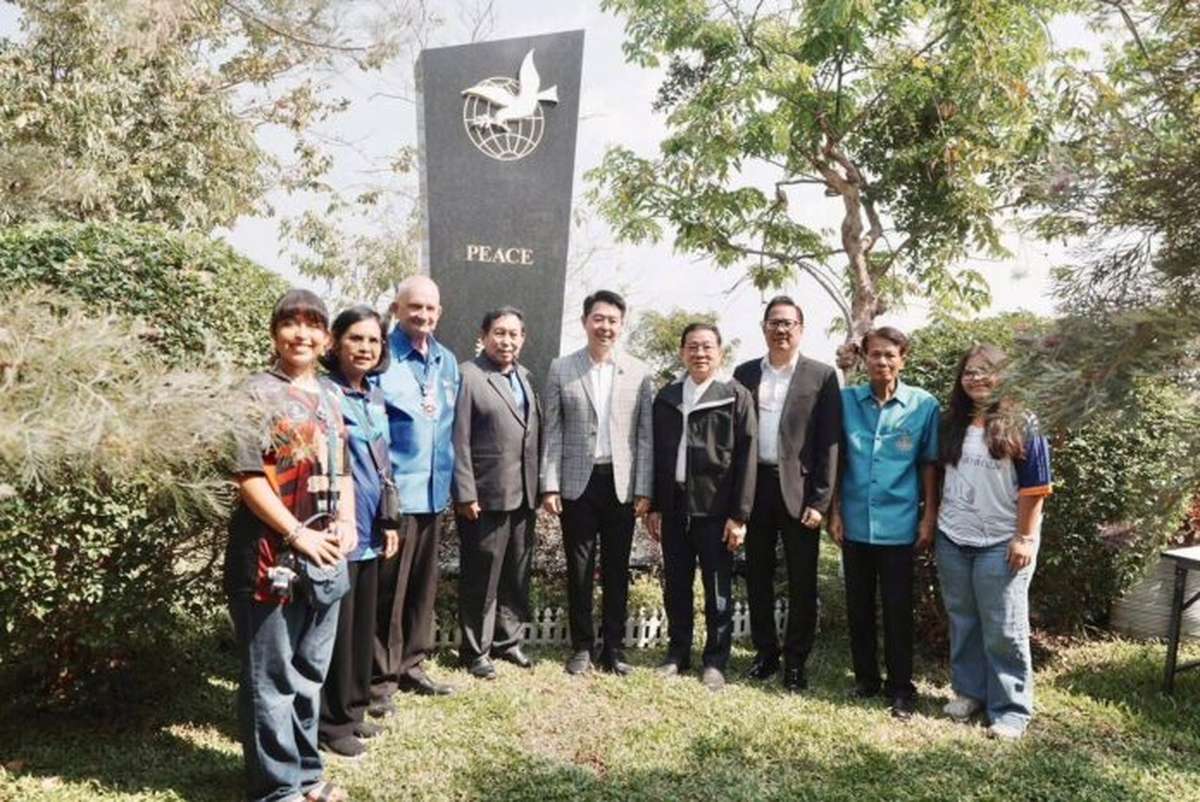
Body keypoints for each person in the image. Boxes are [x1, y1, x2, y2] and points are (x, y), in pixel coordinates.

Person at [224, 288, 356, 802]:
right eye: (290, 323)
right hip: (270, 557)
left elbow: (343, 469)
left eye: (313, 324)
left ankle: (306, 775)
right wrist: (297, 534)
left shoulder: (331, 396)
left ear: (327, 338)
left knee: (308, 674)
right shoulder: (254, 393)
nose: (301, 334)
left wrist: (346, 521)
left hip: (325, 558)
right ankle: (277, 789)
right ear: (274, 332)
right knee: (271, 677)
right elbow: (248, 476)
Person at [935, 344, 1052, 740]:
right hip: (953, 536)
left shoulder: (1023, 422)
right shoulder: (952, 422)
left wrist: (1024, 537)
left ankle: (1011, 710)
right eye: (969, 372)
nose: (976, 378)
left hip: (1002, 542)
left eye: (986, 370)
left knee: (1004, 627)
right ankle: (970, 692)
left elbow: (1035, 488)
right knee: (963, 619)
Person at [540, 290, 655, 676]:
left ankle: (614, 648)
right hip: (578, 484)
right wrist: (549, 484)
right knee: (580, 568)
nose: (605, 326)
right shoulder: (562, 368)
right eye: (598, 318)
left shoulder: (639, 372)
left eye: (613, 320)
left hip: (621, 485)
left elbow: (645, 435)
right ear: (585, 321)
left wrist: (644, 488)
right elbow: (553, 430)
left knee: (617, 568)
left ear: (622, 325)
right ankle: (582, 646)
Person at [828, 326, 940, 721]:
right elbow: (837, 460)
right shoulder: (846, 402)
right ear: (864, 358)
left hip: (900, 523)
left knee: (897, 609)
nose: (882, 362)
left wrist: (929, 516)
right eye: (875, 354)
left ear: (903, 359)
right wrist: (835, 511)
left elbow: (929, 464)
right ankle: (866, 680)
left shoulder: (923, 405)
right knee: (858, 606)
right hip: (855, 521)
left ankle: (901, 687)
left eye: (890, 355)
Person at [732, 296, 841, 691]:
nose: (781, 329)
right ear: (764, 327)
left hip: (799, 490)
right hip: (755, 486)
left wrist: (821, 501)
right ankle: (765, 654)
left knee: (802, 580)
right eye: (774, 322)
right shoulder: (744, 373)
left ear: (801, 329)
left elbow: (830, 441)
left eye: (788, 323)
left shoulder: (822, 375)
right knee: (757, 575)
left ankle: (795, 661)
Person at [647, 322, 756, 692]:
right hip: (674, 505)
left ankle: (715, 660)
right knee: (676, 584)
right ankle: (677, 653)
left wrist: (739, 516)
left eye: (707, 346)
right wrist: (656, 505)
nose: (700, 353)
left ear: (719, 353)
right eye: (692, 346)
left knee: (717, 588)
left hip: (716, 509)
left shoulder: (735, 395)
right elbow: (656, 454)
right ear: (682, 352)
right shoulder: (667, 396)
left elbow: (747, 458)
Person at [317, 306, 401, 758]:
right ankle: (331, 724)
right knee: (339, 629)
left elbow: (383, 463)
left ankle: (352, 709)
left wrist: (390, 520)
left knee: (362, 626)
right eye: (356, 338)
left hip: (372, 524)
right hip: (339, 527)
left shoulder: (373, 396)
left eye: (374, 340)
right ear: (335, 342)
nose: (366, 348)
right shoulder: (323, 393)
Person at [373, 276, 459, 708]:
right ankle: (380, 679)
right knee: (389, 591)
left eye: (430, 308)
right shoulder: (382, 358)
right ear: (397, 309)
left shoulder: (447, 361)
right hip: (396, 496)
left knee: (423, 588)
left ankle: (412, 664)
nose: (423, 315)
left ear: (439, 313)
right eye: (414, 307)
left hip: (433, 494)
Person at [452, 307, 542, 679]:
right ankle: (476, 651)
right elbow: (458, 438)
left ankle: (508, 641)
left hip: (524, 493)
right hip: (485, 495)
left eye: (514, 334)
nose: (507, 341)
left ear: (523, 338)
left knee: (515, 574)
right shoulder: (468, 376)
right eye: (499, 333)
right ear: (484, 336)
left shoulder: (525, 376)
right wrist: (465, 492)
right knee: (482, 576)